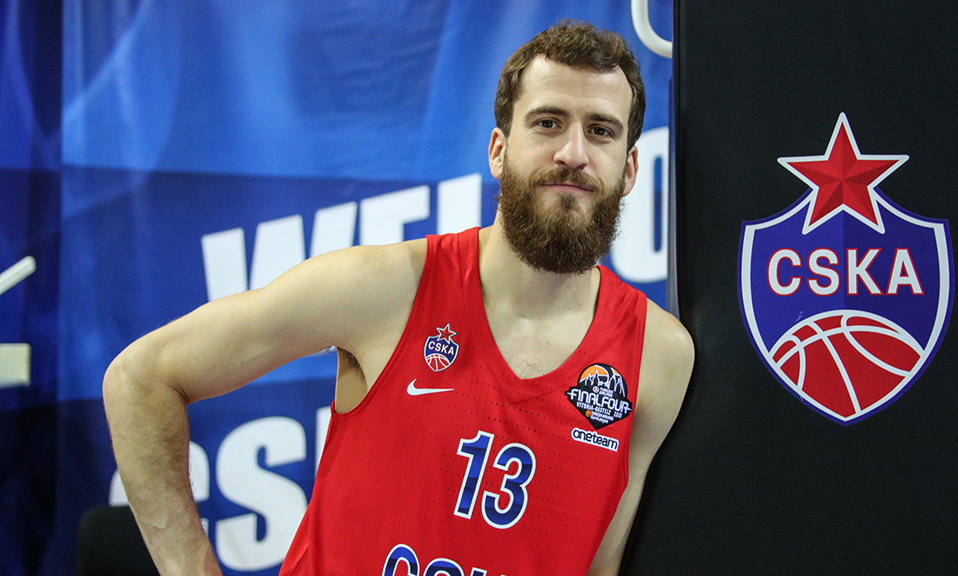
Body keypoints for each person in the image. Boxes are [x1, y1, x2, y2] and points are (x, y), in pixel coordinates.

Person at [103, 20, 694, 576]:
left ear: (630, 168)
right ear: (498, 150)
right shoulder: (384, 288)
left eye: (601, 130)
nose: (573, 153)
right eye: (547, 123)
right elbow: (141, 378)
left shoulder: (659, 358)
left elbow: (596, 564)